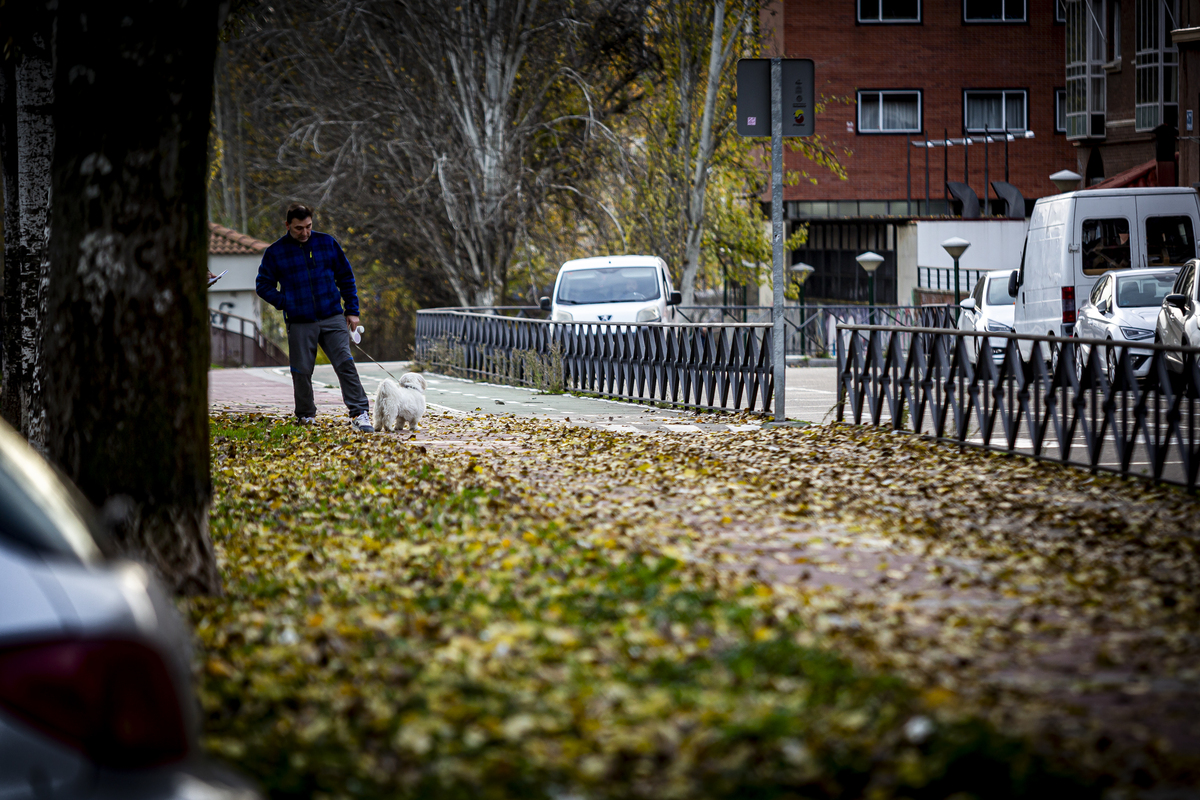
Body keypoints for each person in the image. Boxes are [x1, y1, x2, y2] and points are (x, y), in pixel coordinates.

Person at [255, 203, 373, 432]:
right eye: (299, 228)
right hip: (300, 321)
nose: (305, 233)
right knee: (301, 371)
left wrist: (352, 310)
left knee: (345, 363)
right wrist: (285, 302)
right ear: (288, 225)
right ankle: (306, 416)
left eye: (309, 226)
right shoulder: (276, 252)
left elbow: (345, 276)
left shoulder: (326, 243)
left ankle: (360, 413)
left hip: (332, 315)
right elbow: (263, 285)